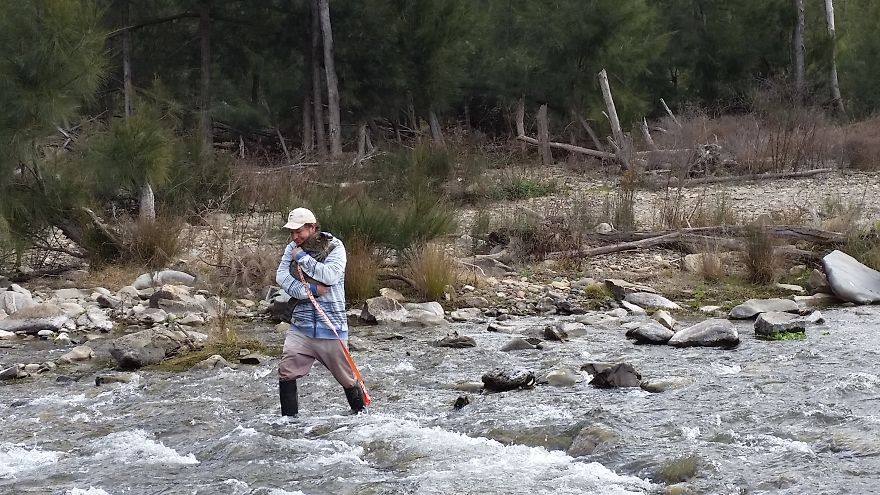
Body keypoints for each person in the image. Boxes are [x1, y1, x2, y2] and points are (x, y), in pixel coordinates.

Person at [275, 207, 365, 417]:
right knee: (286, 372)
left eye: (299, 231)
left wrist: (302, 258)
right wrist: (310, 291)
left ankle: (362, 418)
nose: (294, 237)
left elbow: (330, 276)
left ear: (312, 227)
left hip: (331, 328)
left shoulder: (335, 247)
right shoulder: (291, 248)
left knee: (347, 379)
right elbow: (281, 277)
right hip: (300, 327)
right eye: (291, 232)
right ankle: (288, 424)